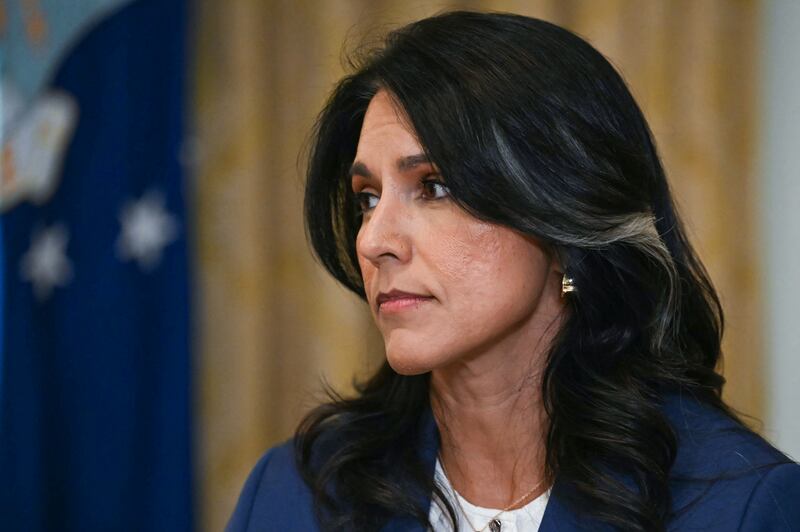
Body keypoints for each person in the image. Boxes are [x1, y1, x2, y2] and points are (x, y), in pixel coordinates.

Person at [226, 11, 800, 532]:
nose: (374, 240)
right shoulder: (292, 493)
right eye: (368, 197)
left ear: (563, 212)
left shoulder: (736, 505)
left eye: (434, 186)